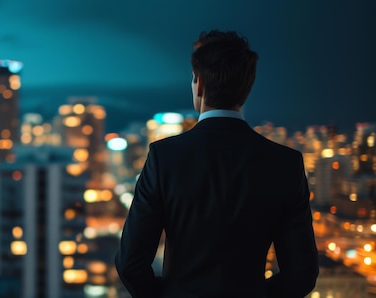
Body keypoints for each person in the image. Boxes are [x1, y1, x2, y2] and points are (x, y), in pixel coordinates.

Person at [114, 30, 319, 297]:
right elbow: (302, 273)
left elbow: (130, 264)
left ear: (199, 84)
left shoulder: (164, 158)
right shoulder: (285, 164)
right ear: (247, 87)